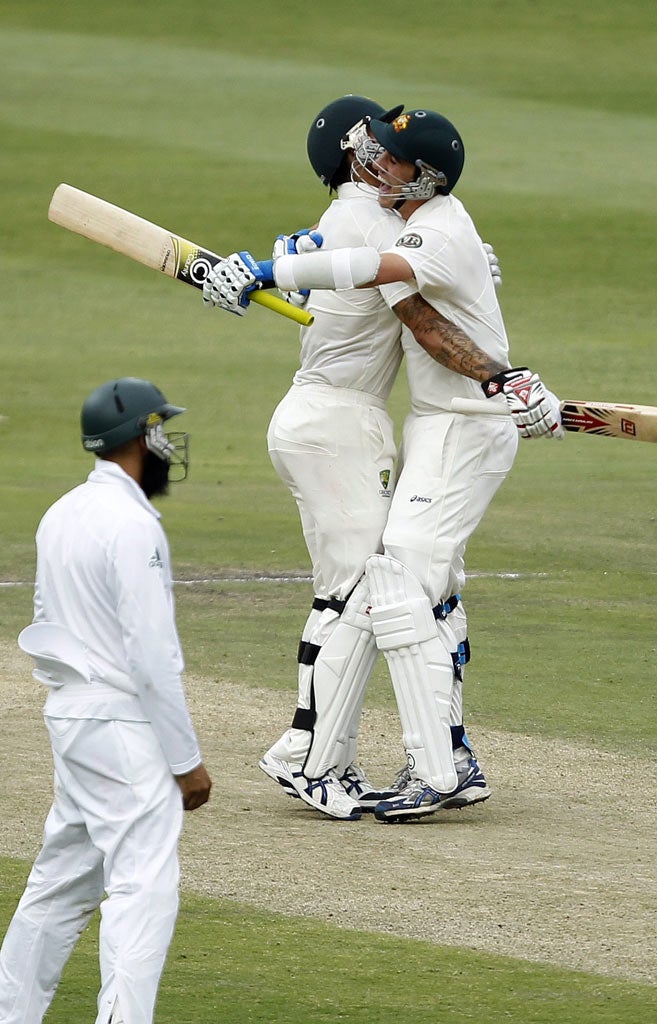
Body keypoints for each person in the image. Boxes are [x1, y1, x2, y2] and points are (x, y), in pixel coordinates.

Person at [203, 107, 561, 823]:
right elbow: (417, 309)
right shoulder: (376, 220)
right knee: (379, 592)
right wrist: (498, 364)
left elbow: (418, 299)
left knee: (402, 590)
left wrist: (278, 266)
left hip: (419, 423)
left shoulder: (385, 222)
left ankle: (420, 759)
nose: (376, 160)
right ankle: (329, 756)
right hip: (350, 423)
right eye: (369, 150)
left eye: (389, 154)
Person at [0, 377, 212, 1023]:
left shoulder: (61, 511)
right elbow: (152, 655)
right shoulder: (131, 524)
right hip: (122, 726)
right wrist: (186, 761)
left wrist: (73, 707)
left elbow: (42, 619)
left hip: (72, 713)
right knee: (143, 887)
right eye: (159, 431)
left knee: (61, 883)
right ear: (140, 438)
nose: (167, 444)